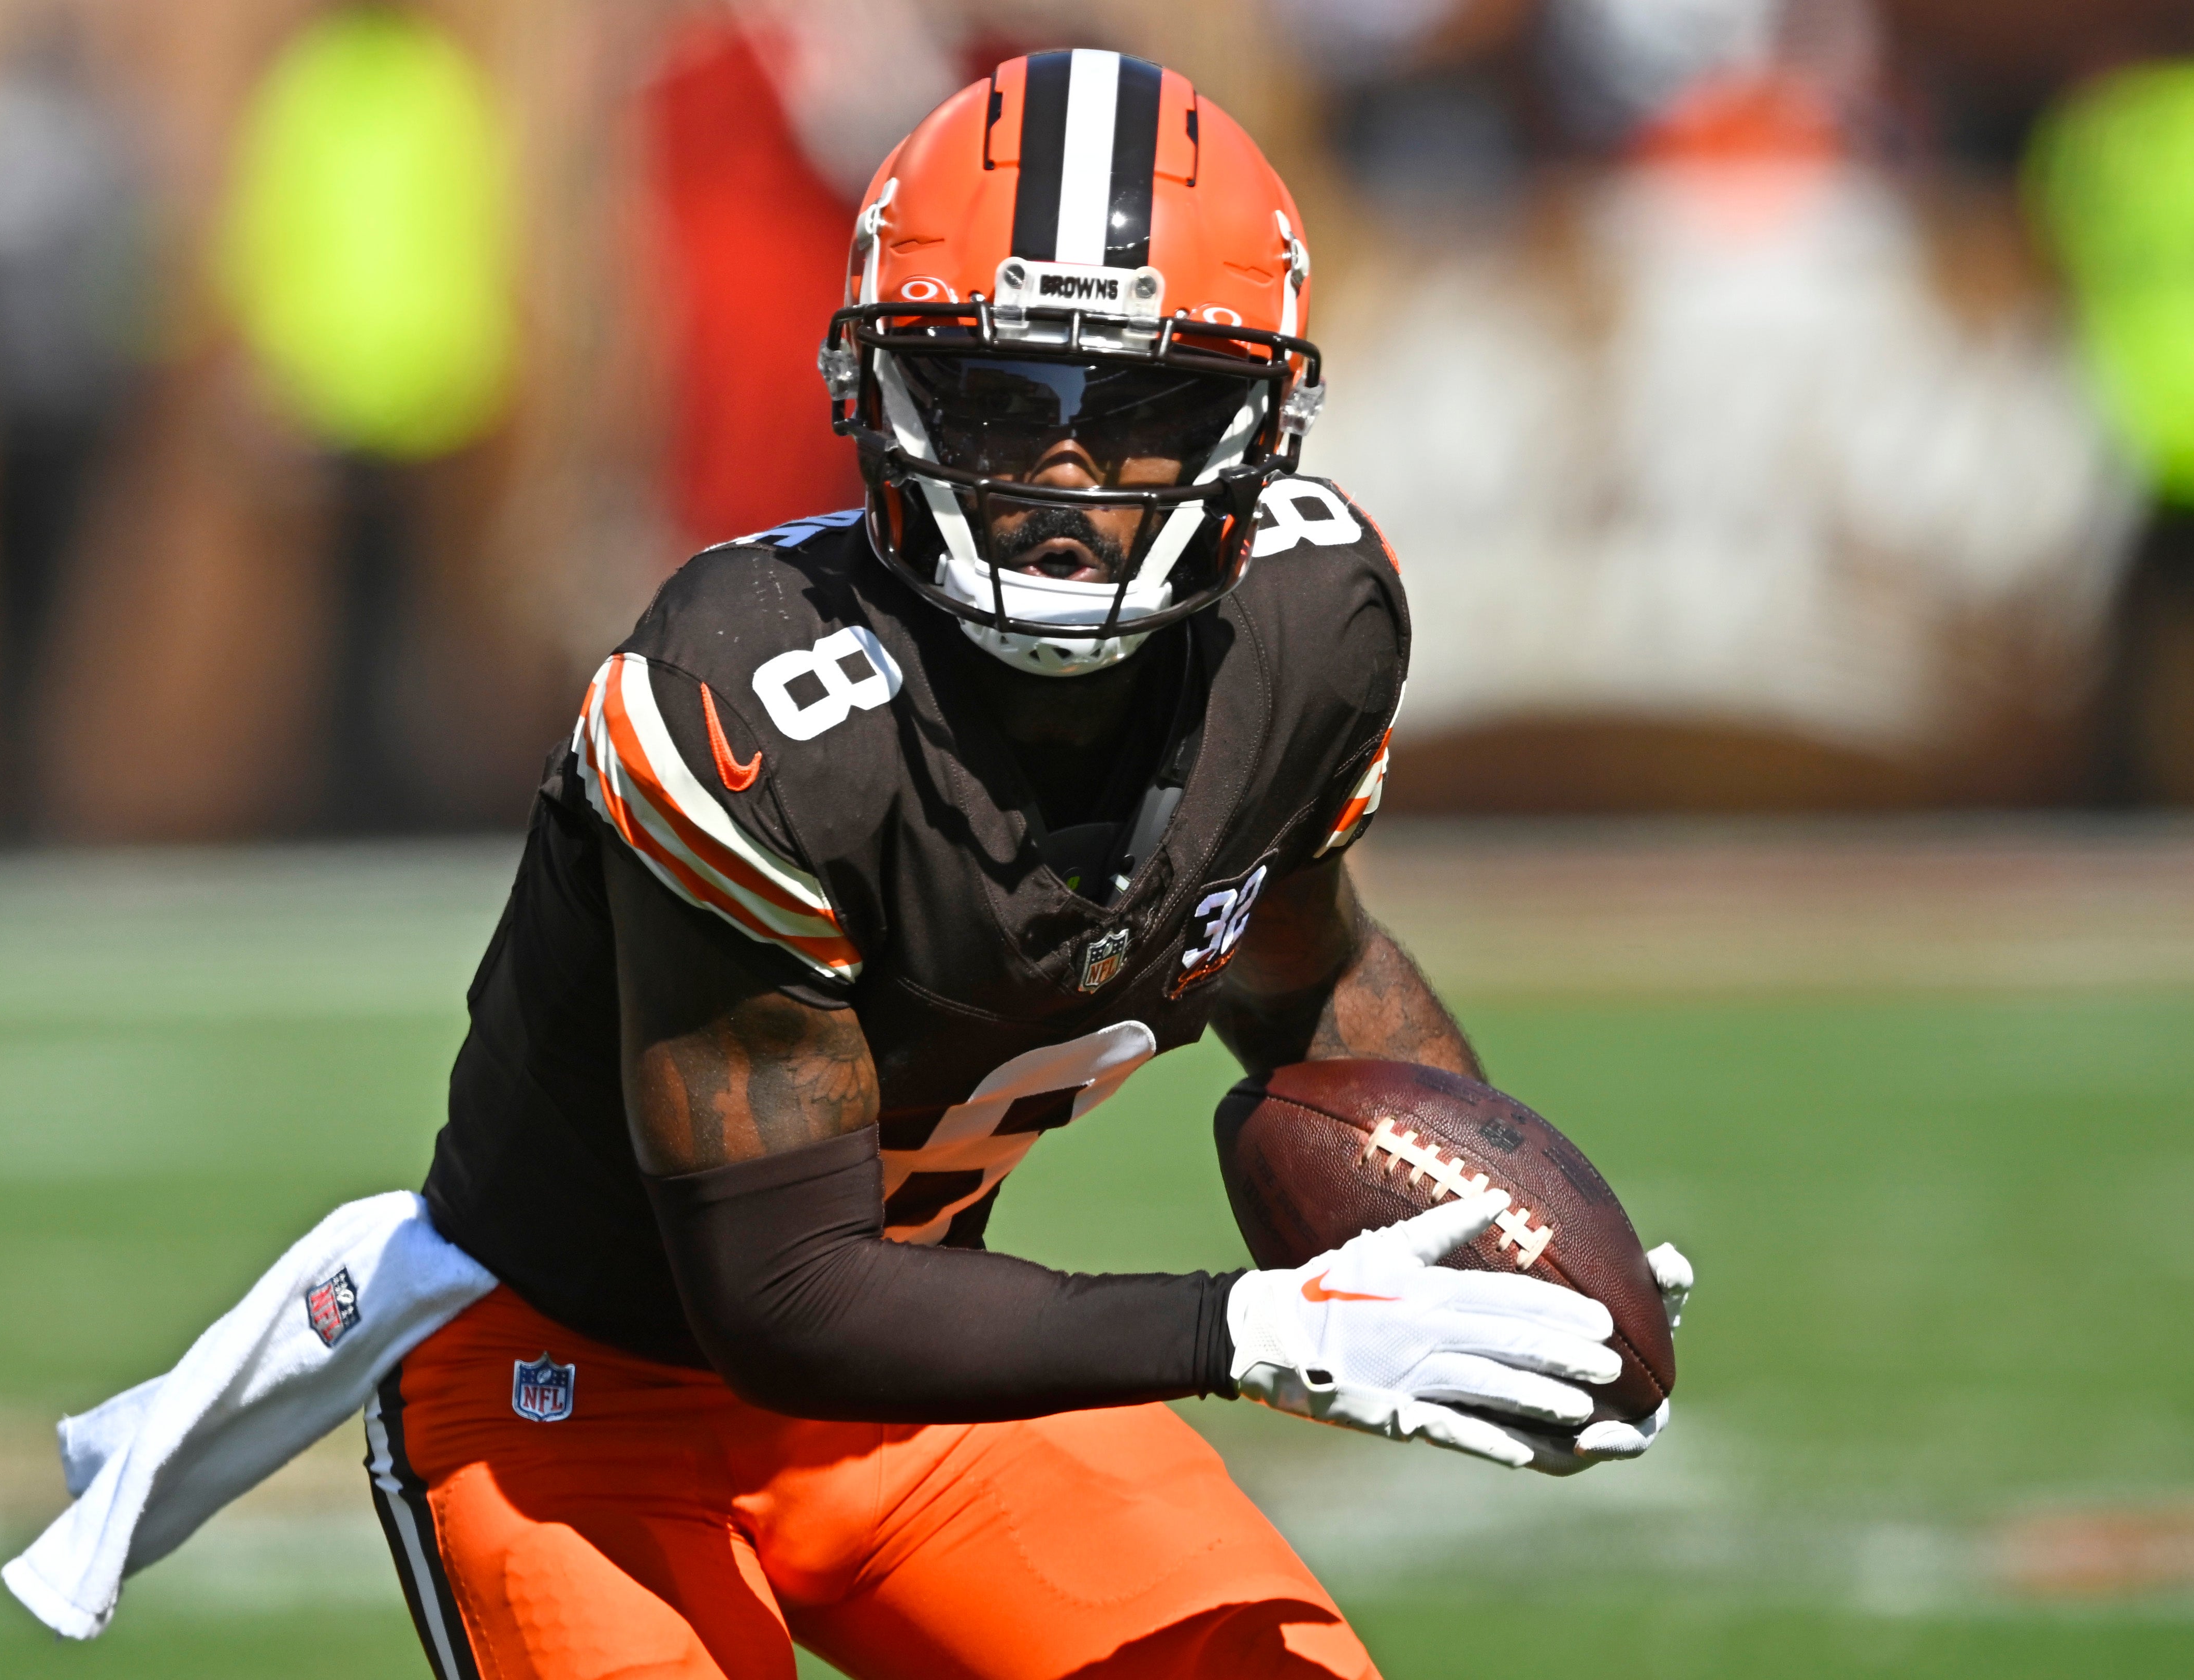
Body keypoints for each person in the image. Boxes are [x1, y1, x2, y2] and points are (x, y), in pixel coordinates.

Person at [385, 50, 1689, 1680]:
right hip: (583, 1400)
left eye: (1139, 409)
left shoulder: (1309, 621)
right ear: (880, 390)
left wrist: (1504, 1260)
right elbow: (779, 1289)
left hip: (921, 1395)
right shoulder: (752, 702)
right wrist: (1244, 1327)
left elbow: (1310, 971)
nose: (1061, 472)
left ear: (1255, 424)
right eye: (1001, 397)